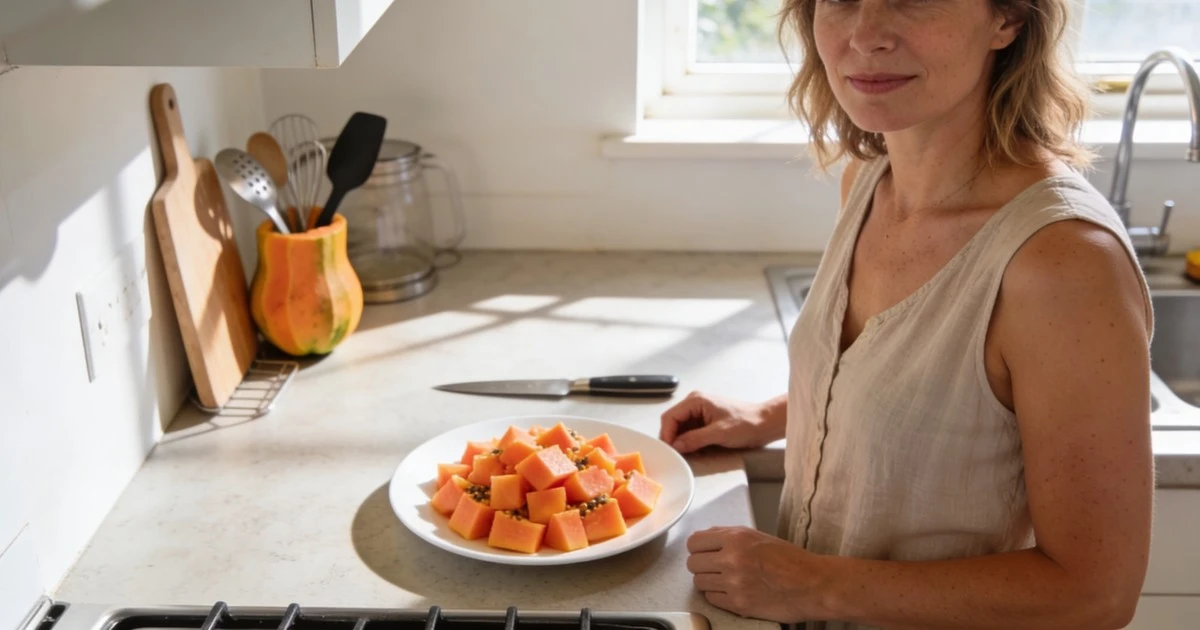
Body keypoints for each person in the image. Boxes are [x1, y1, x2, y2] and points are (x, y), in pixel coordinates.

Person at [659, 0, 1155, 628]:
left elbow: (1095, 595)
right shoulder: (869, 178)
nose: (866, 36)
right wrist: (774, 414)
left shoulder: (1063, 263)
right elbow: (935, 388)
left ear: (1008, 21)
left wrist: (815, 585)